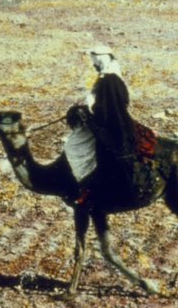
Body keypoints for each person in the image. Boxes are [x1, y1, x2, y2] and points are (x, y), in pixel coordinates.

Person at [67, 45, 157, 204]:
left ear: (101, 60)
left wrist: (90, 113)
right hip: (105, 121)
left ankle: (89, 188)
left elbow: (110, 106)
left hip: (110, 124)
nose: (94, 64)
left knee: (77, 146)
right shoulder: (107, 77)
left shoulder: (110, 80)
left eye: (95, 61)